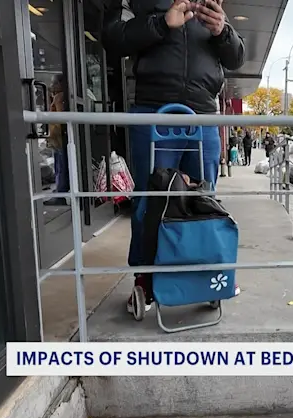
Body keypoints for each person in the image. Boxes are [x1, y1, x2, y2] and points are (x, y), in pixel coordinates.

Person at [102, 0, 245, 314]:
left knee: (205, 199)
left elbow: (236, 57)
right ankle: (145, 279)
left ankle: (208, 275)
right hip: (154, 109)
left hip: (203, 113)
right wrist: (162, 23)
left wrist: (223, 31)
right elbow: (113, 38)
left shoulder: (208, 5)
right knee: (150, 201)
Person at [44, 74, 68, 206]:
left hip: (58, 138)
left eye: (54, 83)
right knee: (60, 166)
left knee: (60, 167)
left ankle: (60, 193)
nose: (51, 86)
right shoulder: (58, 97)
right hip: (58, 138)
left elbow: (58, 118)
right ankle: (60, 191)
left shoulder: (59, 98)